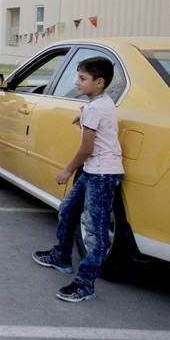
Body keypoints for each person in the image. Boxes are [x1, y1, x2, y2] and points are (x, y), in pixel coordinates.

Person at [32, 57, 124, 303]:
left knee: (96, 232)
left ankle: (85, 284)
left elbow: (86, 149)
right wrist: (82, 113)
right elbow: (95, 112)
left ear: (100, 82)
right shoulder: (100, 103)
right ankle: (61, 256)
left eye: (83, 79)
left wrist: (67, 170)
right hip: (95, 171)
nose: (77, 82)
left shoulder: (95, 108)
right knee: (68, 208)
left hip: (102, 174)